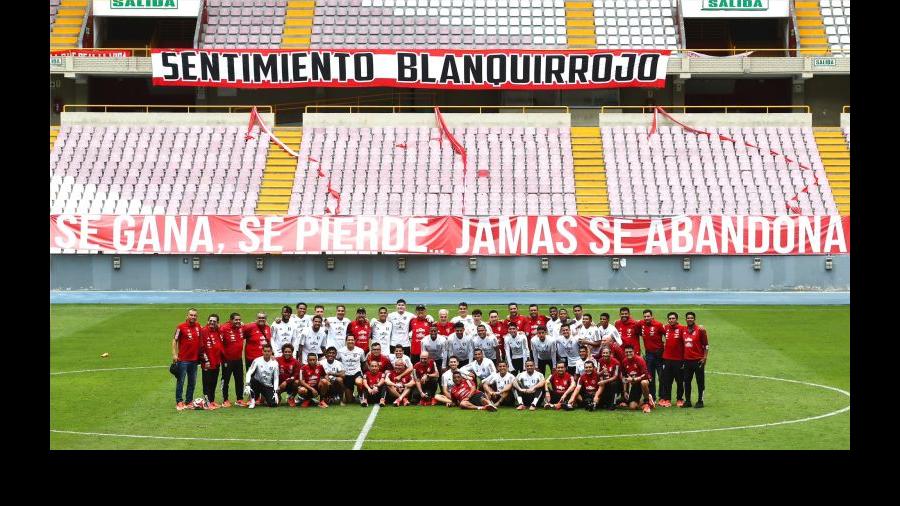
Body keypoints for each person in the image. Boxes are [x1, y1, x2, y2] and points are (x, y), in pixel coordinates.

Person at [172, 308, 202, 411]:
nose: (193, 317)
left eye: (195, 315)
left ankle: (189, 401)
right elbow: (174, 340)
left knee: (192, 382)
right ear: (187, 316)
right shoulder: (180, 327)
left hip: (194, 360)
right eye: (191, 315)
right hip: (183, 360)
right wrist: (174, 354)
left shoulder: (198, 326)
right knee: (181, 381)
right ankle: (179, 402)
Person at [682, 311, 709, 408]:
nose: (690, 319)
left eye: (691, 318)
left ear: (694, 319)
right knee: (687, 381)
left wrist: (705, 357)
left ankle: (700, 401)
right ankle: (688, 401)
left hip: (698, 360)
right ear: (686, 319)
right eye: (688, 318)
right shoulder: (683, 330)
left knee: (700, 381)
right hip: (687, 360)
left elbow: (706, 345)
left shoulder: (700, 330)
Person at [659, 312, 686, 408]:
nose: (671, 320)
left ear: (677, 319)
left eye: (673, 318)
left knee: (679, 381)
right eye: (669, 318)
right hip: (667, 359)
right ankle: (667, 399)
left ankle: (679, 399)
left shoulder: (682, 329)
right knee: (667, 381)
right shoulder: (665, 328)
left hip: (679, 360)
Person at [639, 309, 666, 401]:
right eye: (645, 316)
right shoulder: (641, 324)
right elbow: (633, 324)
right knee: (650, 377)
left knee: (661, 376)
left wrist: (665, 347)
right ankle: (652, 397)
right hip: (649, 354)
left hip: (659, 354)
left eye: (648, 316)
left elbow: (667, 334)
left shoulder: (658, 325)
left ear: (652, 317)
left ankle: (662, 397)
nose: (646, 318)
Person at [199, 313, 224, 409]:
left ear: (217, 323)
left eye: (214, 321)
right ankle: (207, 403)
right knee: (207, 383)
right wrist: (205, 361)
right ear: (207, 321)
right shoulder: (203, 331)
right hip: (207, 363)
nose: (212, 322)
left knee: (213, 382)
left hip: (216, 362)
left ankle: (212, 401)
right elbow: (201, 348)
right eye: (210, 321)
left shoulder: (218, 331)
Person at [219, 312, 246, 407]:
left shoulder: (241, 328)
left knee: (239, 380)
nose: (238, 321)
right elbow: (219, 343)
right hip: (227, 360)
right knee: (225, 380)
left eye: (239, 320)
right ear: (231, 320)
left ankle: (239, 399)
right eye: (236, 320)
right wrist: (224, 356)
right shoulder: (224, 328)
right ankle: (225, 399)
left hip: (238, 359)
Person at [244, 344, 280, 408]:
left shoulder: (275, 363)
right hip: (257, 384)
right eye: (265, 351)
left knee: (273, 404)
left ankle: (263, 397)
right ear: (262, 351)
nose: (267, 353)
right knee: (253, 380)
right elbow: (249, 373)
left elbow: (276, 378)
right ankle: (253, 400)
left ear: (271, 352)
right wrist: (247, 384)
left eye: (268, 351)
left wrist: (275, 392)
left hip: (267, 386)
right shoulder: (257, 360)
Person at [621, 344, 654, 413]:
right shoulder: (624, 362)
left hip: (644, 381)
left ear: (634, 351)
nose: (628, 353)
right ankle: (648, 399)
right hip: (635, 385)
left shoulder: (640, 360)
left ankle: (646, 403)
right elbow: (624, 378)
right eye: (626, 352)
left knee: (644, 382)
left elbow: (645, 375)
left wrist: (633, 379)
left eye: (630, 352)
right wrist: (625, 391)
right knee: (632, 407)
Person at [242, 312, 273, 383]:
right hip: (252, 359)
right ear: (256, 319)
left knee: (264, 379)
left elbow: (269, 342)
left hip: (265, 359)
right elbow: (239, 334)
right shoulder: (249, 327)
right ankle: (252, 393)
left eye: (263, 318)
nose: (261, 319)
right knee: (252, 379)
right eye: (259, 318)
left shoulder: (268, 328)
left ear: (266, 319)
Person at [337, 335, 366, 405]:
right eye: (349, 340)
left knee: (359, 382)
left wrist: (363, 374)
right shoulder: (340, 351)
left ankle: (361, 396)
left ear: (355, 341)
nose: (350, 341)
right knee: (349, 401)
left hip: (357, 373)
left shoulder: (360, 351)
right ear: (346, 341)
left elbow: (363, 362)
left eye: (352, 340)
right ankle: (352, 396)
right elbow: (337, 362)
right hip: (346, 375)